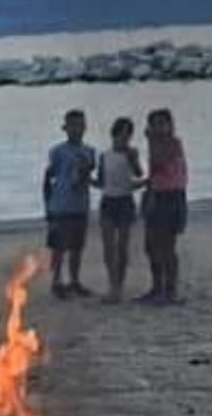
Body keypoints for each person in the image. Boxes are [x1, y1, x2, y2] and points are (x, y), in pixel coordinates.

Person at [43, 109, 98, 299]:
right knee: (58, 246)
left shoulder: (89, 152)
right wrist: (48, 206)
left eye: (80, 125)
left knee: (77, 246)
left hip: (80, 205)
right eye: (73, 125)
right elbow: (49, 178)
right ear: (65, 128)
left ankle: (75, 281)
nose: (77, 129)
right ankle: (57, 281)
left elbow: (88, 176)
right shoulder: (57, 152)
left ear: (85, 127)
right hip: (60, 205)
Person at [141, 109, 188, 305]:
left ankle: (170, 290)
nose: (157, 129)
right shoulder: (156, 145)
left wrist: (151, 141)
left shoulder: (173, 144)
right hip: (157, 194)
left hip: (171, 196)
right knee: (151, 245)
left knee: (167, 246)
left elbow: (160, 161)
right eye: (154, 125)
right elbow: (153, 172)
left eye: (161, 124)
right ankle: (156, 287)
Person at [97, 117, 146, 304]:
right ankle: (112, 285)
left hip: (125, 201)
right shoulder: (105, 155)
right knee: (109, 247)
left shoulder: (131, 153)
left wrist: (133, 159)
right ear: (114, 134)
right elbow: (101, 182)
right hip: (108, 201)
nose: (124, 138)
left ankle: (119, 285)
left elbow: (139, 173)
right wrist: (83, 177)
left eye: (127, 134)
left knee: (122, 246)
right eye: (121, 134)